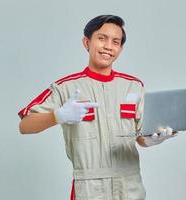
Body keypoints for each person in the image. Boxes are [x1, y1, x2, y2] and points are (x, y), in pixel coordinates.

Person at [18, 15, 177, 200]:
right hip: (89, 187)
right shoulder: (66, 87)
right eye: (102, 38)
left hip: (130, 186)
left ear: (120, 48)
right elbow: (25, 126)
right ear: (87, 42)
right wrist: (58, 116)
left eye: (115, 42)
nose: (108, 46)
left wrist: (152, 140)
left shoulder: (134, 86)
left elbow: (141, 137)